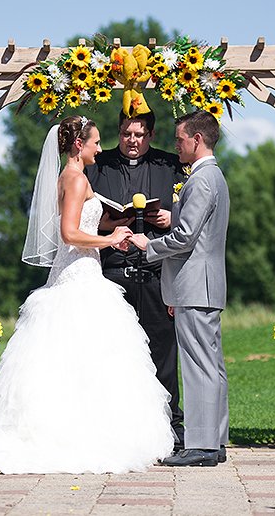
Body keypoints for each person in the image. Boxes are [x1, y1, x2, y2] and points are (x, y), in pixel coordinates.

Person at [0, 115, 174, 474]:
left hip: (81, 272)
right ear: (78, 145)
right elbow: (69, 234)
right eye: (95, 142)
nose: (100, 148)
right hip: (77, 275)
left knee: (80, 359)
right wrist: (110, 239)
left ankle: (82, 427)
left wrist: (114, 224)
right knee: (88, 356)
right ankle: (82, 435)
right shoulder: (77, 178)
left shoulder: (69, 177)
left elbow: (81, 221)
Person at [129, 109, 230, 467]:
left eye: (180, 139)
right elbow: (194, 228)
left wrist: (148, 246)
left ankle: (202, 445)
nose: (176, 145)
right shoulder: (212, 177)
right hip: (202, 283)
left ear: (197, 140)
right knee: (211, 364)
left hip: (195, 284)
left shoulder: (201, 179)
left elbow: (186, 238)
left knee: (199, 365)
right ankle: (214, 441)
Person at [85, 110, 187, 447]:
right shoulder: (98, 165)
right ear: (119, 132)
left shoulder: (172, 166)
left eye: (140, 135)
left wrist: (170, 218)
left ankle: (171, 422)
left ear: (151, 135)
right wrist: (112, 223)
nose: (133, 141)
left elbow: (195, 214)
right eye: (127, 134)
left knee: (163, 350)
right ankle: (115, 423)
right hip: (113, 271)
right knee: (114, 350)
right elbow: (82, 215)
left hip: (157, 270)